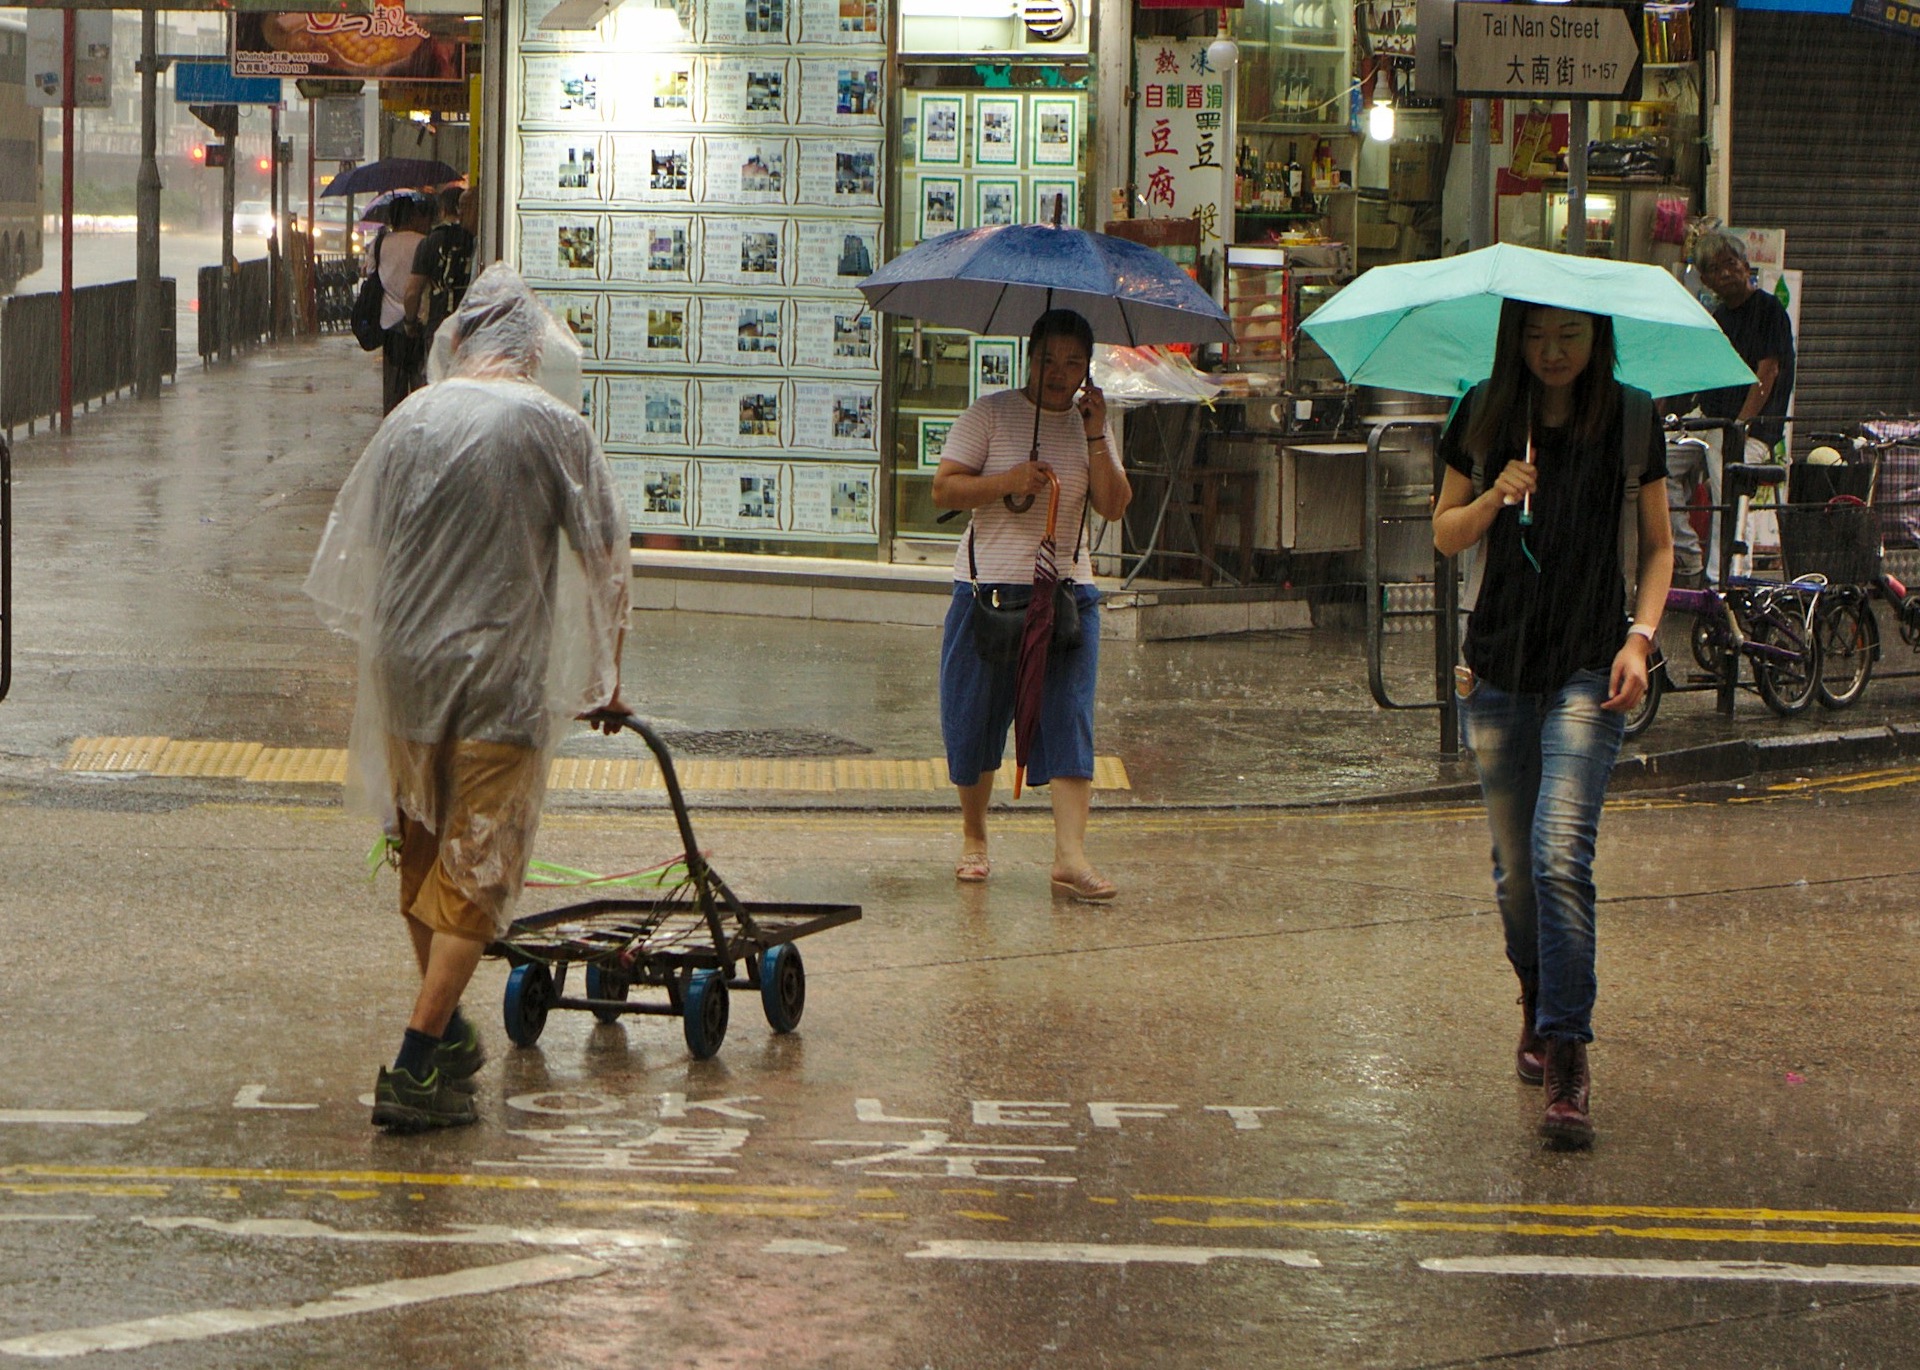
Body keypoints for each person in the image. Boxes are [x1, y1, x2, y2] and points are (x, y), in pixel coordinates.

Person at [305, 264, 632, 1131]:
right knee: (480, 872)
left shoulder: (411, 418)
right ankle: (417, 1057)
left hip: (406, 672)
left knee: (423, 855)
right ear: (527, 350)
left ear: (461, 340)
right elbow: (606, 561)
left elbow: (367, 543)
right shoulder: (553, 426)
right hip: (501, 679)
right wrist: (607, 677)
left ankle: (444, 1035)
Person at [1432, 300, 1674, 1149]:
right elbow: (1445, 534)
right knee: (1514, 876)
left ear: (1597, 338)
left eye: (1569, 334)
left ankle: (1568, 1052)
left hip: (1586, 666)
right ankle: (1538, 994)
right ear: (1515, 339)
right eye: (1536, 335)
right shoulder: (1483, 411)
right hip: (1496, 670)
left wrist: (1640, 641)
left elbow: (1658, 547)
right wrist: (1496, 495)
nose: (1553, 350)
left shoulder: (1633, 419)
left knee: (1558, 856)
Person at [931, 309, 1131, 903]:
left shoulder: (1091, 425)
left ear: (1087, 372)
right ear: (1030, 357)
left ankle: (1069, 857)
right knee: (973, 721)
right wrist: (1007, 481)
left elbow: (1115, 505)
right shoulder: (990, 414)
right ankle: (975, 836)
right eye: (1050, 359)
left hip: (1068, 594)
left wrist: (1096, 435)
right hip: (987, 591)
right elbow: (944, 488)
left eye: (1074, 363)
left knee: (1068, 720)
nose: (1059, 373)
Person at [1669, 230, 1796, 587]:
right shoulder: (1718, 318)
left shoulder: (1770, 310)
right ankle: (1688, 554)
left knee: (1729, 491)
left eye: (1730, 264)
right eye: (1714, 269)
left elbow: (1767, 372)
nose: (1725, 273)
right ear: (1706, 280)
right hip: (1711, 422)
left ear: (1745, 266)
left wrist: (1740, 425)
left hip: (1750, 429)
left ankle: (1728, 580)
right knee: (1656, 463)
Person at [369, 194, 432, 414]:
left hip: (389, 325)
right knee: (419, 386)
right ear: (412, 215)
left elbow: (370, 272)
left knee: (393, 390)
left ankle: (392, 433)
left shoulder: (379, 243)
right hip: (418, 320)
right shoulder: (423, 242)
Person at [404, 185, 475, 347]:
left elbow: (412, 292)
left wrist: (410, 323)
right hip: (469, 327)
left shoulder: (429, 242)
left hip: (438, 325)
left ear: (442, 210)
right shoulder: (475, 239)